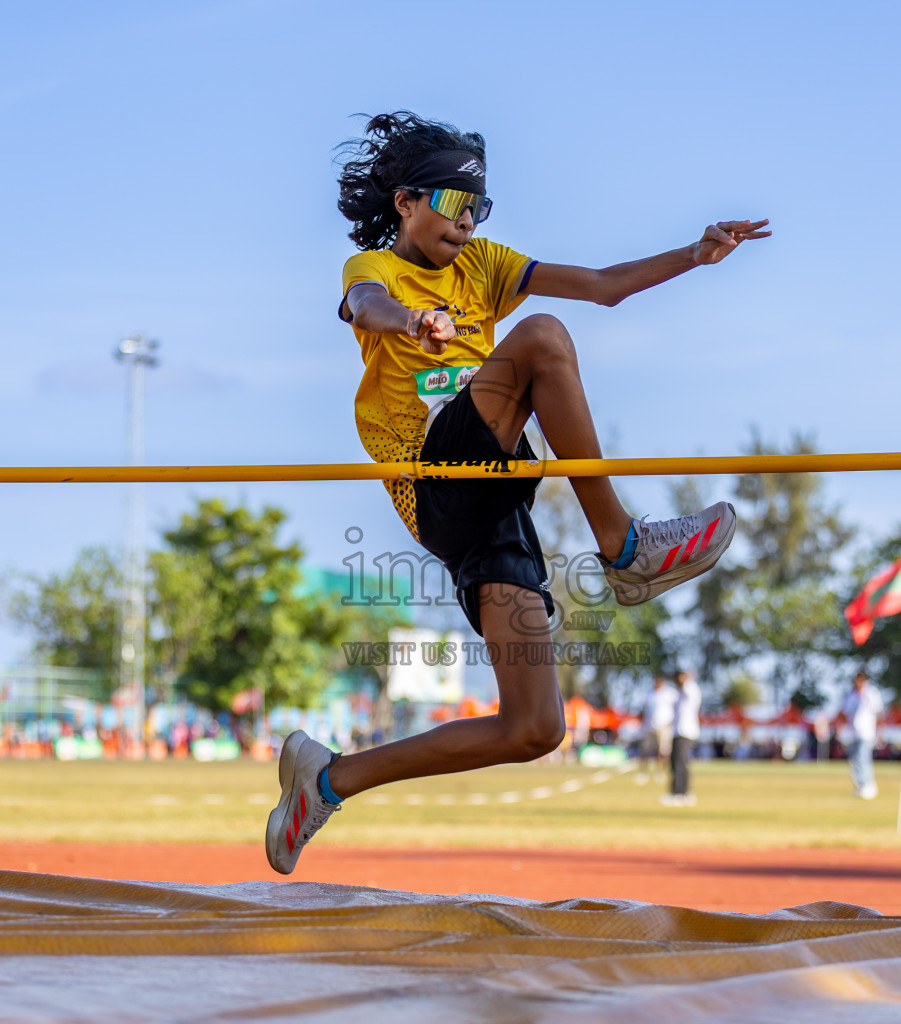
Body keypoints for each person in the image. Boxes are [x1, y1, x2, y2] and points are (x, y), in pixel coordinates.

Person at [265, 112, 769, 873]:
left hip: (493, 502)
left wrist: (694, 256)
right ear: (405, 202)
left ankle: (327, 779)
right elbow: (368, 309)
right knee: (541, 338)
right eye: (451, 205)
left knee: (534, 727)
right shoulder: (373, 273)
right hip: (435, 478)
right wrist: (413, 323)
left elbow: (600, 287)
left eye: (478, 211)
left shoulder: (486, 265)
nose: (465, 224)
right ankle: (625, 549)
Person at [840, 670, 884, 800]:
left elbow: (879, 713)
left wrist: (880, 733)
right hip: (853, 733)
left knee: (863, 758)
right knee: (855, 760)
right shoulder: (851, 695)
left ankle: (868, 785)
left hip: (867, 733)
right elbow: (844, 713)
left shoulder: (872, 693)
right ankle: (860, 785)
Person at [663, 670, 701, 806]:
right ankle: (679, 792)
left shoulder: (691, 688)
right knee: (675, 762)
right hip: (677, 732)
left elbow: (686, 686)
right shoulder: (678, 693)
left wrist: (687, 678)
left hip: (686, 732)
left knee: (680, 763)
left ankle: (680, 793)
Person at [637, 676, 676, 784]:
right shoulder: (649, 693)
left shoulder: (670, 694)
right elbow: (644, 709)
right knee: (645, 750)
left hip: (664, 726)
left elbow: (677, 709)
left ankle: (660, 772)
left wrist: (671, 723)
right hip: (649, 726)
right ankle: (643, 772)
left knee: (663, 751)